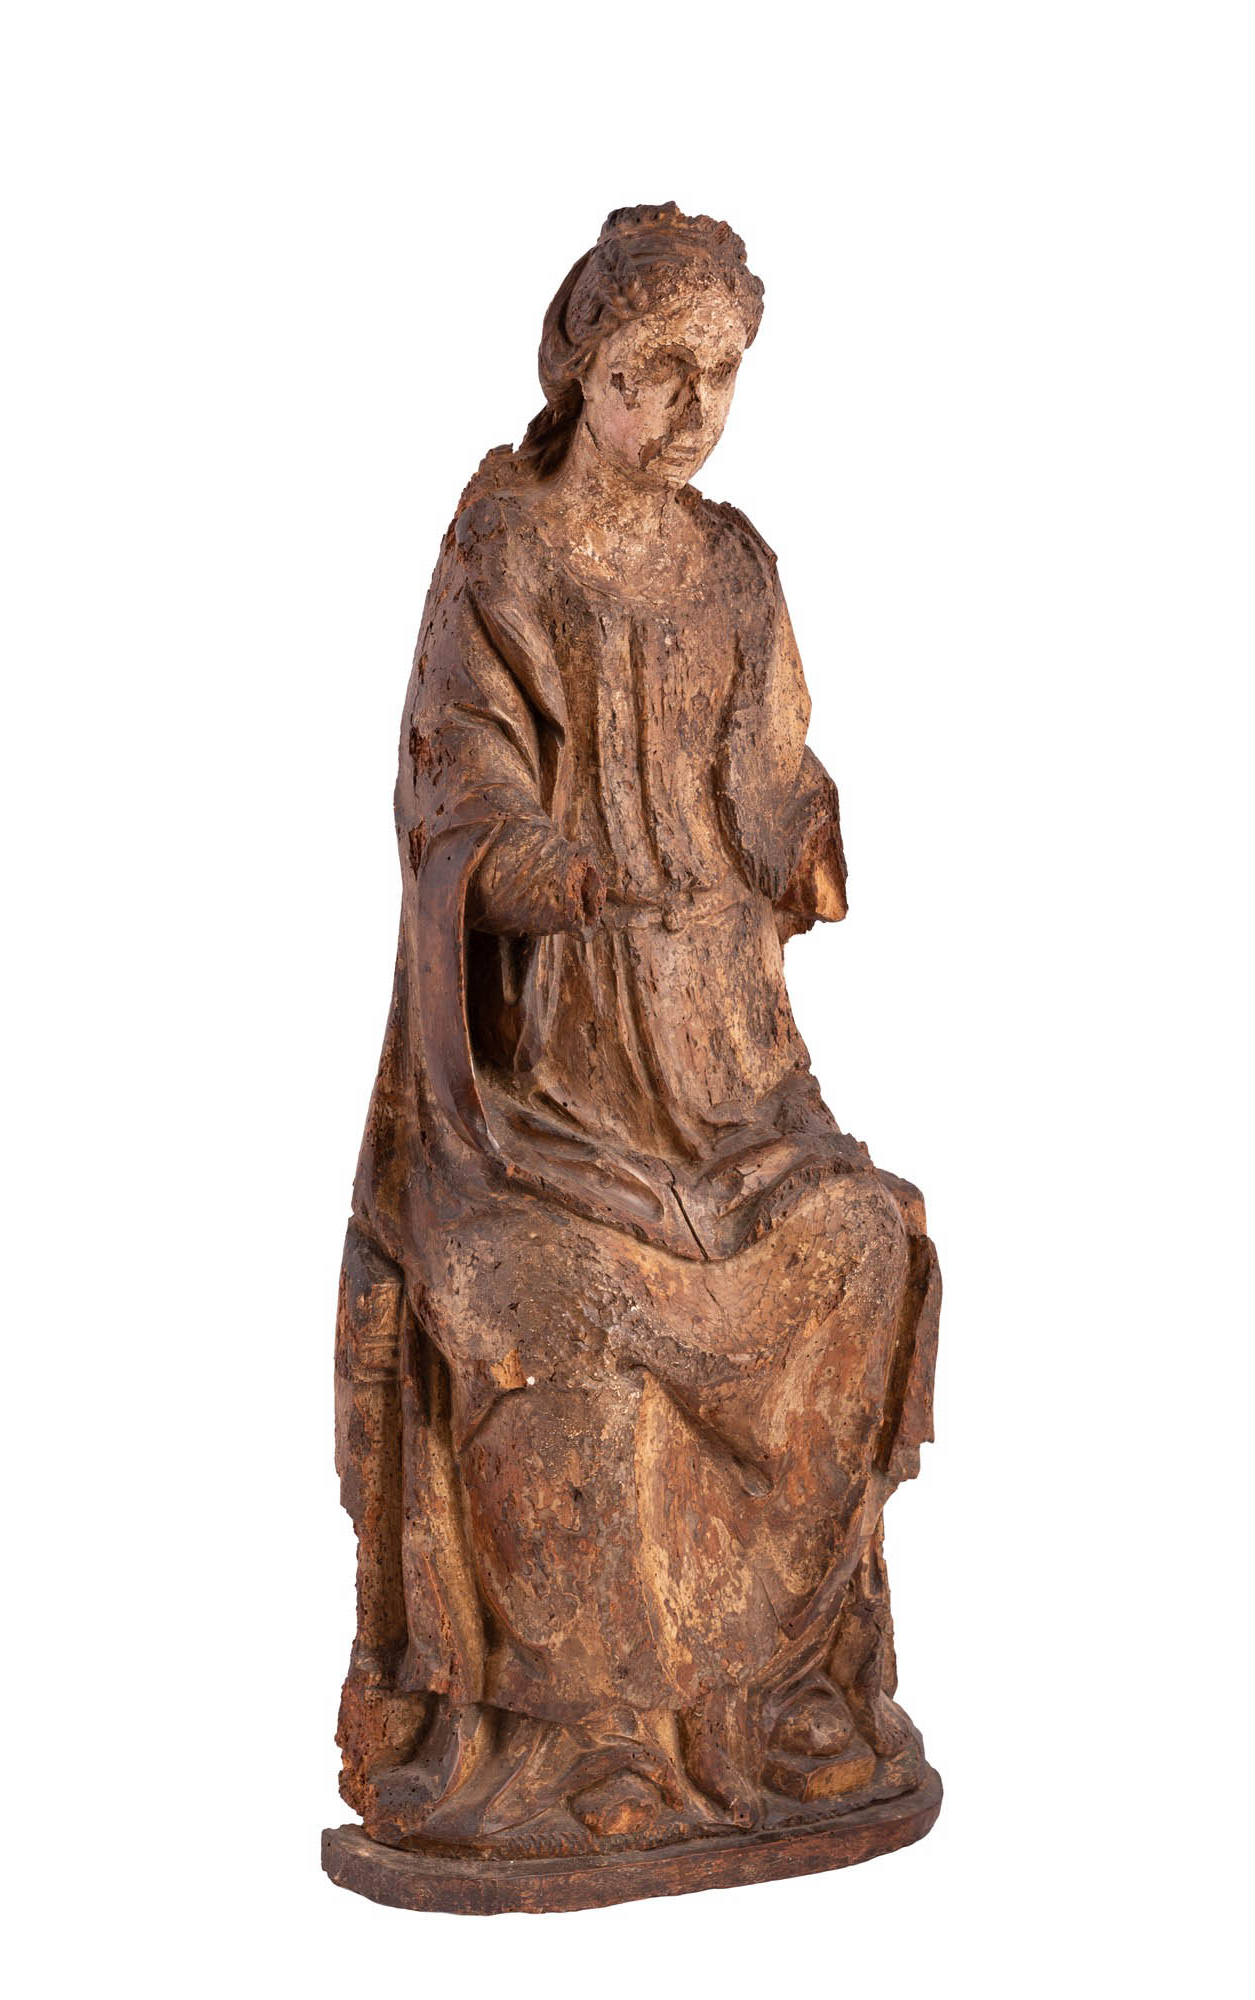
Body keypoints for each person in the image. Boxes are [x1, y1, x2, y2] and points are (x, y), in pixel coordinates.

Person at [335, 204, 940, 1858]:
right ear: (582, 367)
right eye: (655, 370)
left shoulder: (735, 566)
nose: (689, 408)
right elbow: (449, 780)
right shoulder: (504, 550)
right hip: (549, 1090)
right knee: (545, 1297)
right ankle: (585, 1735)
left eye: (719, 374)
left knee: (856, 1249)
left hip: (727, 1065)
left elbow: (769, 769)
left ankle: (774, 1695)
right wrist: (540, 866)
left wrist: (801, 828)